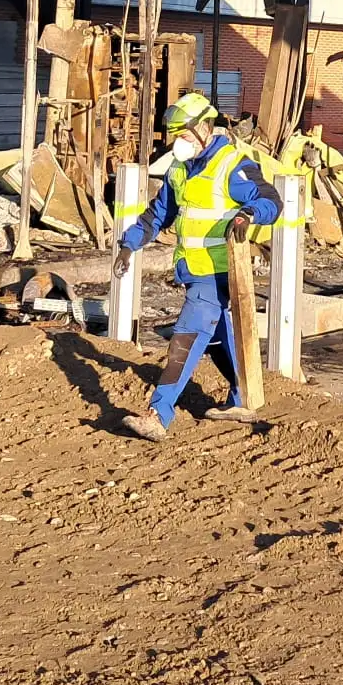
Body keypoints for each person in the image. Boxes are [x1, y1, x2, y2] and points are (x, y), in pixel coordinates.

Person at [117, 91, 281, 442]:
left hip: (218, 273)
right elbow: (158, 214)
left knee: (186, 337)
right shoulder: (179, 169)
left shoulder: (232, 164)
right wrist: (129, 245)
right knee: (221, 338)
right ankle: (242, 399)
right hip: (194, 272)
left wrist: (248, 213)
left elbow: (270, 200)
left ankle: (158, 414)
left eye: (185, 134)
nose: (180, 141)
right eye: (176, 135)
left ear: (206, 128)